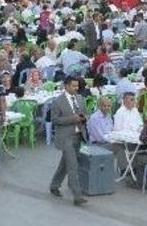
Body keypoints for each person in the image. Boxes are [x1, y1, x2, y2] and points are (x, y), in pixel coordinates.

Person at [49, 76, 89, 206]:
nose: (76, 88)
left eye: (77, 86)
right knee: (72, 165)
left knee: (65, 164)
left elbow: (85, 113)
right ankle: (77, 195)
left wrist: (83, 118)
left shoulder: (80, 98)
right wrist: (72, 119)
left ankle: (54, 185)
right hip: (65, 137)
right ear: (66, 86)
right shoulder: (58, 101)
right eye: (73, 86)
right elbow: (55, 120)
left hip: (78, 136)